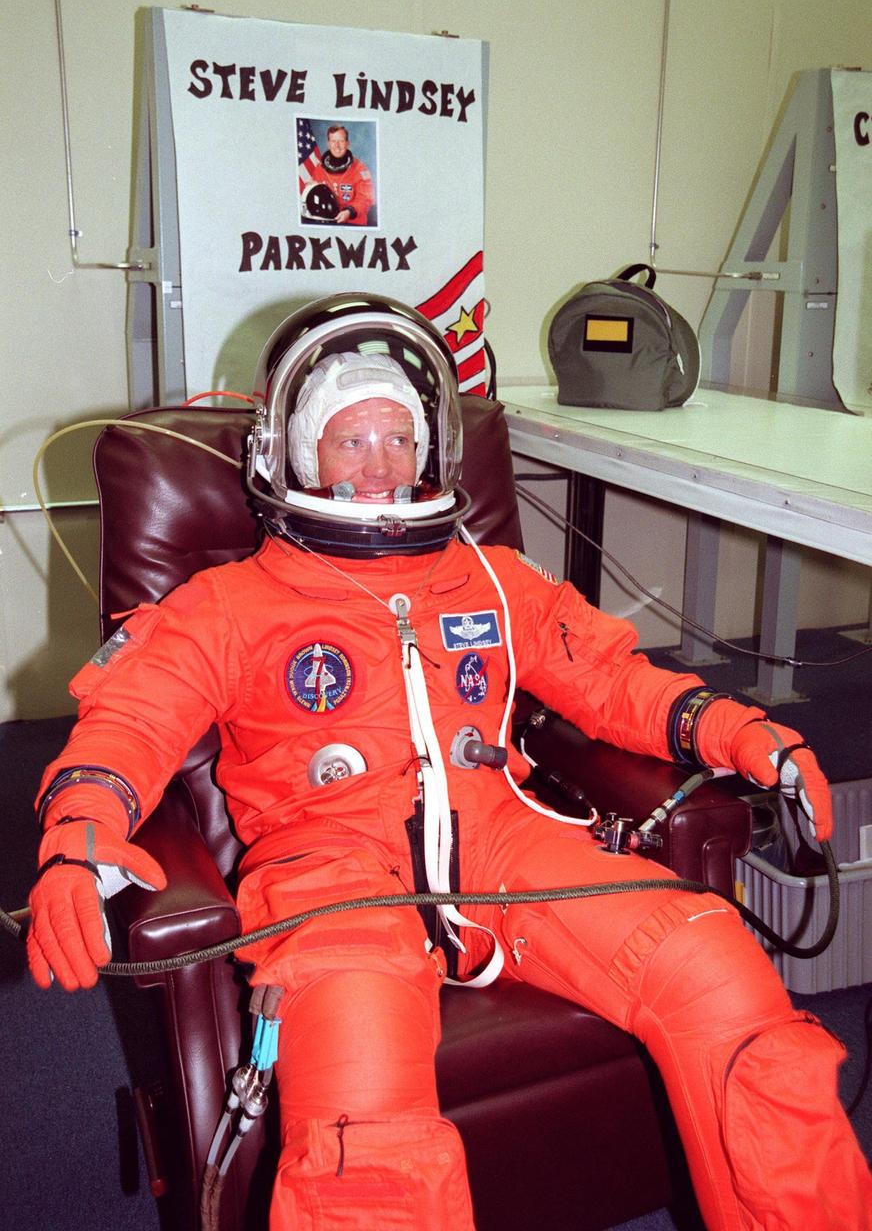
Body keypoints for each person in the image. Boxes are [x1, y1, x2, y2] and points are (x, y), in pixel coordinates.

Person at [27, 294, 871, 1231]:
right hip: (331, 872)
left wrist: (734, 729)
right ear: (294, 457)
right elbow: (129, 723)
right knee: (364, 1147)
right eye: (351, 441)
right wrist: (79, 833)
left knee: (724, 978)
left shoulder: (491, 578)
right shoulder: (227, 604)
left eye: (400, 437)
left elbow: (609, 679)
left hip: (510, 841)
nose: (382, 464)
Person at [307, 124, 375, 225]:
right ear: (328, 144)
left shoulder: (360, 170)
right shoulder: (320, 168)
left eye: (341, 141)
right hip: (327, 221)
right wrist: (311, 188)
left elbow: (365, 198)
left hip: (353, 223)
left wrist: (350, 211)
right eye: (333, 141)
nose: (337, 146)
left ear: (347, 143)